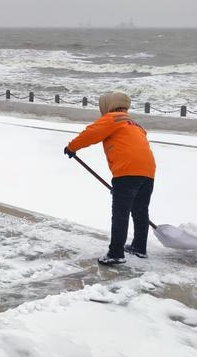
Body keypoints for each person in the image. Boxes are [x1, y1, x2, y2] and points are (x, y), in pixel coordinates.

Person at [64, 91, 156, 266]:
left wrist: (71, 147)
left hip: (127, 171)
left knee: (121, 213)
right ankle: (139, 247)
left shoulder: (113, 118)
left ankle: (115, 253)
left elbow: (91, 134)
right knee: (140, 210)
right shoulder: (135, 124)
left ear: (107, 105)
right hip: (148, 171)